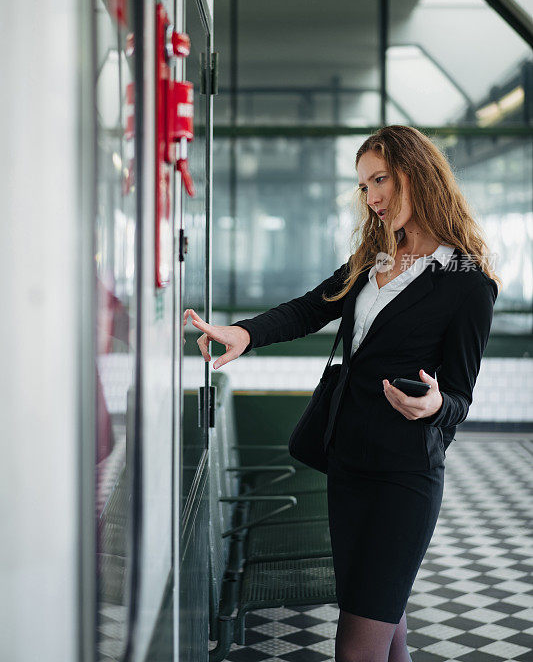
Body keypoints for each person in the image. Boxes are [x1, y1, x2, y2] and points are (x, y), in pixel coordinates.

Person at [183, 124, 500, 662]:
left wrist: (434, 406)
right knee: (384, 616)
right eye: (363, 186)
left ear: (416, 175)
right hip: (347, 464)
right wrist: (246, 332)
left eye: (380, 180)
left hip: (404, 478)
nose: (372, 197)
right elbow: (313, 305)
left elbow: (460, 399)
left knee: (356, 647)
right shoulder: (376, 256)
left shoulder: (467, 281)